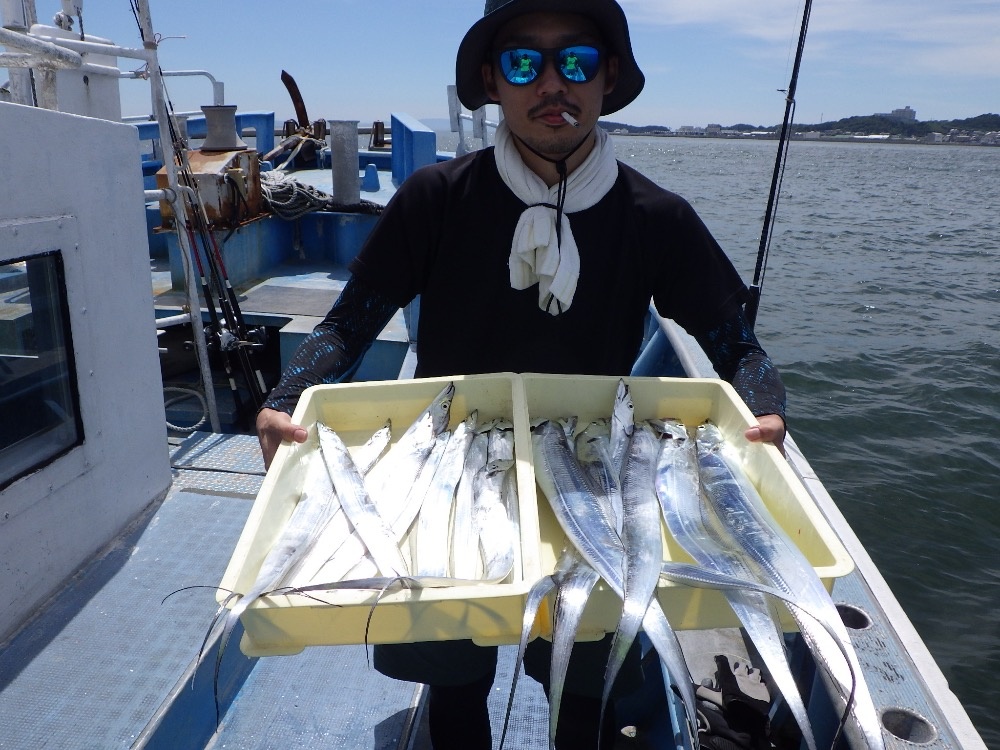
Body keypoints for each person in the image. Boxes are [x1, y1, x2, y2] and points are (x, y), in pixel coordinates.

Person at [257, 0, 787, 747]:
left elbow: (738, 350)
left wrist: (766, 411)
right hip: (449, 472)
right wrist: (285, 398)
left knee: (582, 691)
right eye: (522, 62)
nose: (551, 83)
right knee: (456, 684)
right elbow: (348, 324)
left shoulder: (656, 217)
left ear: (609, 77)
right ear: (491, 81)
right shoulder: (435, 199)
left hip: (599, 478)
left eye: (576, 60)